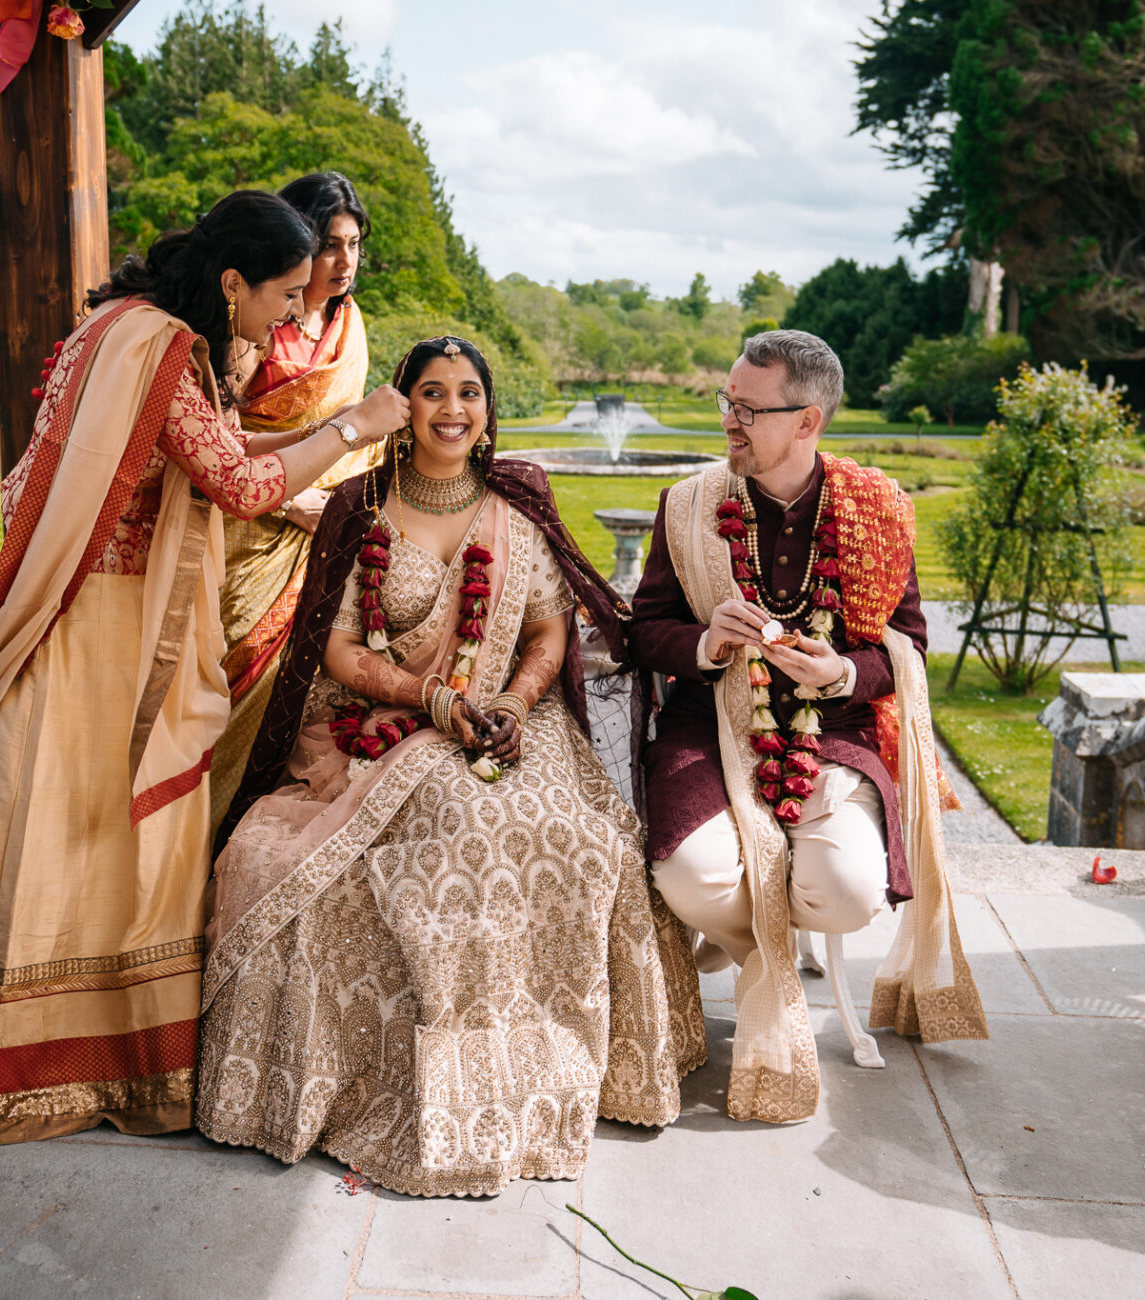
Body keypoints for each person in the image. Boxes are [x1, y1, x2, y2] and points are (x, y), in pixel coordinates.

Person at [194, 336, 705, 1197]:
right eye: (433, 392)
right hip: (383, 720)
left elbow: (547, 632)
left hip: (512, 720)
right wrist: (429, 700)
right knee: (444, 826)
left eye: (470, 392)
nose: (453, 409)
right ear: (404, 407)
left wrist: (508, 703)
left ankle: (542, 1066)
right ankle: (429, 1082)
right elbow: (340, 648)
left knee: (584, 844)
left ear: (488, 408)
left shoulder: (516, 505)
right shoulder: (366, 506)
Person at [0, 190, 410, 1146]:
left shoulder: (118, 328)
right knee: (123, 832)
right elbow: (238, 485)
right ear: (231, 282)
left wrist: (309, 442)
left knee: (79, 832)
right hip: (109, 630)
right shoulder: (162, 348)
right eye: (284, 295)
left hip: (81, 615)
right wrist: (354, 429)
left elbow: (213, 443)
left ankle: (61, 1065)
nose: (292, 316)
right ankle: (106, 1069)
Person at [628, 329, 986, 1124]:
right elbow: (641, 630)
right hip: (710, 725)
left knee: (850, 892)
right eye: (728, 402)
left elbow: (909, 646)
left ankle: (757, 953)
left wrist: (845, 672)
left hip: (834, 733)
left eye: (749, 409)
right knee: (691, 878)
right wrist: (705, 643)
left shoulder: (877, 512)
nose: (730, 421)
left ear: (807, 420)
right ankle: (772, 972)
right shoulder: (689, 505)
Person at [210, 172, 379, 834]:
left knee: (311, 696)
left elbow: (352, 440)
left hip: (327, 530)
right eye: (331, 244)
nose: (344, 263)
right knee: (232, 691)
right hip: (246, 530)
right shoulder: (254, 323)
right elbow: (219, 446)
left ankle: (270, 837)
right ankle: (200, 840)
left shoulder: (349, 325)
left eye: (355, 244)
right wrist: (292, 501)